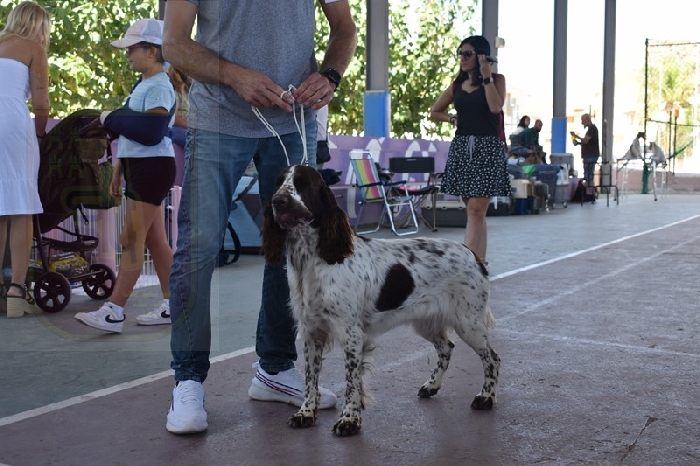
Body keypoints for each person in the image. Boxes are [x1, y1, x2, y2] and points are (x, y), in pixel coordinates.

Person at [161, 0, 357, 434]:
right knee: (199, 246)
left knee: (293, 248)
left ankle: (275, 368)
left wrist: (330, 74)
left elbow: (344, 26)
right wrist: (234, 75)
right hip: (217, 119)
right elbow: (173, 43)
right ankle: (188, 379)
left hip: (293, 122)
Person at [74, 19, 176, 332]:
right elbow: (132, 135)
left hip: (152, 168)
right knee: (155, 241)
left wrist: (111, 118)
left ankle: (113, 311)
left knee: (131, 238)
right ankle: (174, 304)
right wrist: (118, 172)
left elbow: (151, 132)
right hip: (140, 167)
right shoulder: (142, 86)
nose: (128, 54)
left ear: (152, 51)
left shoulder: (159, 85)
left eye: (133, 49)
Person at [430, 35, 510, 263]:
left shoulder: (496, 80)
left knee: (476, 209)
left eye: (467, 54)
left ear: (482, 56)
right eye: (460, 53)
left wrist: (486, 76)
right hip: (463, 147)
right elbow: (435, 111)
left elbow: (495, 107)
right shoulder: (457, 85)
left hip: (487, 148)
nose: (462, 58)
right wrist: (452, 119)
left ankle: (468, 264)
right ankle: (480, 263)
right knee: (475, 211)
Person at [0, 1, 50, 318]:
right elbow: (42, 104)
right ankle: (16, 290)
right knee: (21, 207)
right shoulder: (33, 48)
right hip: (13, 128)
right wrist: (41, 135)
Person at [571, 113, 600, 195]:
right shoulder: (591, 129)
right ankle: (590, 193)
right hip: (590, 154)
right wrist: (578, 143)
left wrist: (575, 136)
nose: (582, 122)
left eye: (582, 120)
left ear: (587, 119)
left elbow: (585, 140)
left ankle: (589, 193)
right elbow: (587, 142)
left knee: (588, 176)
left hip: (590, 155)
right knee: (589, 175)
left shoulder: (592, 129)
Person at [166, 65, 191, 148]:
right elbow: (173, 118)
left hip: (187, 127)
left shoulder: (188, 90)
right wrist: (190, 125)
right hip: (176, 129)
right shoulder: (171, 91)